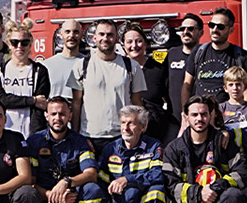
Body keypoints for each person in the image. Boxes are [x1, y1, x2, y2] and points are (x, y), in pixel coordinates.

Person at [24, 97, 99, 203]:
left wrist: (67, 182)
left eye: (62, 114)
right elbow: (30, 181)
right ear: (46, 116)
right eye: (54, 114)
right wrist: (51, 194)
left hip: (73, 202)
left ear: (70, 116)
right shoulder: (34, 142)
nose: (58, 118)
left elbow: (91, 173)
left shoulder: (81, 142)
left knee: (93, 189)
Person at [96, 105, 167, 203]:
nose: (125, 128)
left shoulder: (154, 146)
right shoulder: (110, 149)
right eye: (123, 123)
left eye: (131, 123)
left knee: (157, 191)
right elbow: (101, 189)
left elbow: (158, 175)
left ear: (143, 127)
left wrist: (128, 180)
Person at [70, 19, 145, 148]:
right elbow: (76, 104)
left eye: (110, 35)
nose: (105, 38)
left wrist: (138, 135)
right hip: (89, 137)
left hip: (122, 136)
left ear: (117, 38)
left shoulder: (132, 66)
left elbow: (137, 104)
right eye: (102, 34)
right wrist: (76, 137)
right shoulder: (81, 65)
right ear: (94, 38)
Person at [0, 20, 50, 136]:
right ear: (9, 44)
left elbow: (41, 104)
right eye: (15, 42)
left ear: (30, 44)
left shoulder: (40, 71)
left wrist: (35, 135)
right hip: (4, 133)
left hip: (32, 133)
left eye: (24, 42)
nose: (19, 46)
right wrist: (32, 100)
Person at [185, 8, 247, 105]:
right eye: (211, 25)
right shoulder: (198, 52)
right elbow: (187, 86)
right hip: (202, 115)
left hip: (229, 116)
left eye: (220, 27)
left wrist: (246, 111)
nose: (215, 30)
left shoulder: (241, 55)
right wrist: (185, 112)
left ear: (231, 30)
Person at [121, 25, 171, 142]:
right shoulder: (117, 70)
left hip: (154, 131)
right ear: (123, 45)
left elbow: (169, 99)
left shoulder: (158, 69)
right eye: (129, 42)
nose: (134, 46)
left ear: (145, 44)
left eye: (139, 41)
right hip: (124, 131)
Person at [162, 14, 204, 116]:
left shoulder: (206, 54)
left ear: (201, 33)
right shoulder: (171, 53)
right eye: (182, 29)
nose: (185, 32)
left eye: (190, 29)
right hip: (174, 118)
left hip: (199, 117)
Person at [41, 19, 86, 109]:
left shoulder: (88, 64)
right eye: (67, 32)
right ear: (61, 35)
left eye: (76, 32)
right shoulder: (46, 66)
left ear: (81, 35)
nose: (71, 35)